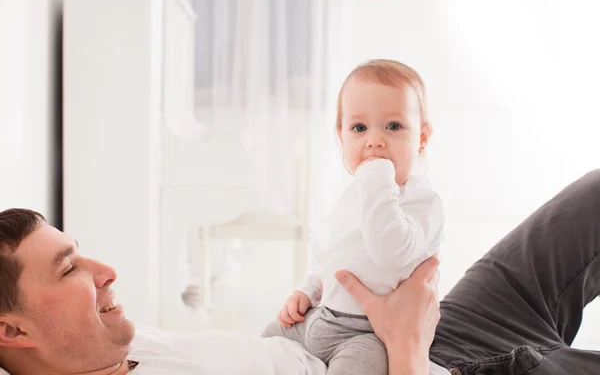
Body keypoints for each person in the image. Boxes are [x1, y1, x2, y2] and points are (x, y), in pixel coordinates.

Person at [0, 169, 599, 374]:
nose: (105, 271)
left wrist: (313, 304)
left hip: (408, 333)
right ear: (12, 332)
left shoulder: (99, 345)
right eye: (69, 268)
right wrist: (408, 351)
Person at [262, 58, 445, 375]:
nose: (374, 140)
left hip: (366, 335)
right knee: (262, 345)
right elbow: (336, 257)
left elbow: (390, 253)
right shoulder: (356, 195)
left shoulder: (423, 202)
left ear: (423, 138)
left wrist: (377, 181)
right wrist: (308, 290)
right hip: (322, 317)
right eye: (359, 128)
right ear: (341, 136)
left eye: (394, 126)